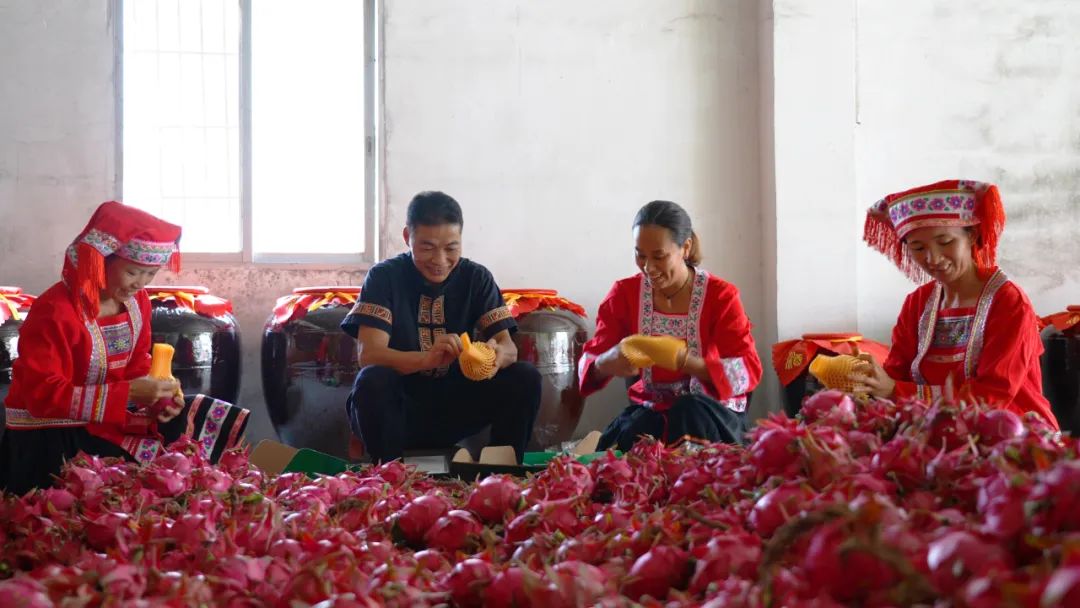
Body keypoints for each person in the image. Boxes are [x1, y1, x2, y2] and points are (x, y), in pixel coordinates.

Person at [0, 202, 249, 495]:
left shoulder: (137, 303)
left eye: (150, 274)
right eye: (132, 273)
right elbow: (41, 394)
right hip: (51, 430)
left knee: (202, 411)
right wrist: (129, 394)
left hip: (105, 415)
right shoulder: (54, 310)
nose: (139, 284)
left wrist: (161, 396)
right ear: (101, 261)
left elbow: (136, 364)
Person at [341, 191, 541, 463]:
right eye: (427, 247)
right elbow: (369, 354)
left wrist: (495, 356)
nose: (440, 260)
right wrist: (427, 359)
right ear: (406, 237)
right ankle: (388, 477)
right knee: (373, 380)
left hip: (458, 407)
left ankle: (502, 474)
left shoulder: (476, 277)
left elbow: (509, 348)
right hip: (400, 409)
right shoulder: (384, 277)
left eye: (451, 248)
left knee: (524, 377)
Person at [851, 179, 1058, 428]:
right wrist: (868, 386)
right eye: (918, 247)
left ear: (972, 235)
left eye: (945, 242)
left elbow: (992, 396)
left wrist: (897, 391)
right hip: (934, 431)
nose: (933, 258)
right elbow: (896, 373)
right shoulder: (917, 303)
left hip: (1011, 433)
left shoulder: (1009, 303)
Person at [578, 200, 762, 451]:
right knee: (639, 428)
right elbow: (589, 361)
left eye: (659, 256)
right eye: (639, 255)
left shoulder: (720, 296)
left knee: (689, 411)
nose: (648, 267)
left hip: (710, 417)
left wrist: (686, 361)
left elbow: (748, 371)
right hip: (652, 411)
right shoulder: (624, 294)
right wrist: (606, 362)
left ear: (685, 248)